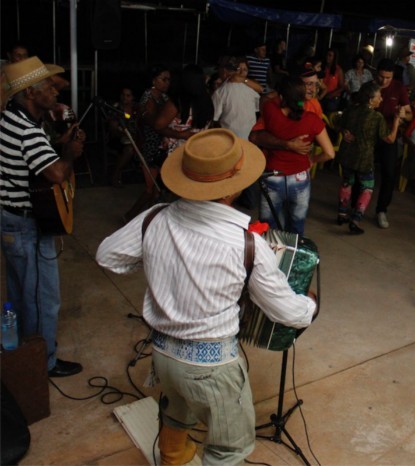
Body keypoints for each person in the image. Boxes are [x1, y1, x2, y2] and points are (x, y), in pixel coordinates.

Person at [96, 128, 318, 464]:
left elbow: (107, 255)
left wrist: (156, 261)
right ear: (233, 188)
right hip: (211, 366)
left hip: (162, 354)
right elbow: (288, 312)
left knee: (176, 413)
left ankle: (173, 460)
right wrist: (310, 305)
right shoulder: (245, 243)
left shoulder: (153, 218)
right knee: (230, 448)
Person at [1, 56, 85, 377]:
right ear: (30, 94)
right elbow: (54, 174)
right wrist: (68, 153)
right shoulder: (28, 130)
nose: (54, 89)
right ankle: (43, 362)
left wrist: (57, 143)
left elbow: (30, 159)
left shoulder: (11, 118)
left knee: (20, 291)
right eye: (46, 86)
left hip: (10, 219)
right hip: (27, 225)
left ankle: (21, 353)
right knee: (43, 298)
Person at [258, 77, 335, 235]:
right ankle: (292, 255)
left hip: (273, 176)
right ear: (303, 97)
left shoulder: (270, 110)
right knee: (297, 224)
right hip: (300, 178)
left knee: (268, 226)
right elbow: (329, 153)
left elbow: (265, 98)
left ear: (281, 97)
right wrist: (312, 159)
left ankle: (270, 256)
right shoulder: (312, 120)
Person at [336, 81, 400, 234]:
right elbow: (389, 139)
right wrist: (396, 122)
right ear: (371, 100)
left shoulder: (351, 110)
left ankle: (342, 214)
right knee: (367, 187)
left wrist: (344, 131)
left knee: (347, 182)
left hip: (346, 154)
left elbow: (337, 123)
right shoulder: (376, 117)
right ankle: (356, 219)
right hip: (364, 157)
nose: (381, 99)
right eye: (379, 97)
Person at [123, 65, 170, 222]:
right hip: (149, 146)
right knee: (151, 189)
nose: (167, 83)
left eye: (168, 79)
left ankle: (147, 219)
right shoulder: (148, 98)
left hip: (159, 145)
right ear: (153, 80)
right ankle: (129, 217)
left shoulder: (163, 97)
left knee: (155, 190)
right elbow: (152, 123)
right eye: (163, 79)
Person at [373, 58, 412, 229]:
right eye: (381, 77)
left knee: (389, 174)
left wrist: (403, 114)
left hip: (390, 135)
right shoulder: (370, 86)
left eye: (388, 78)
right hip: (370, 136)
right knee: (362, 172)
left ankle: (382, 210)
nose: (384, 81)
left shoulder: (398, 87)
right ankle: (355, 206)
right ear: (377, 73)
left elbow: (410, 115)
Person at [212, 56, 260, 141]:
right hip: (250, 141)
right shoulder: (252, 90)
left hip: (230, 141)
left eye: (245, 70)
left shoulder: (220, 92)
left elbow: (214, 117)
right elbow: (256, 110)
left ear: (224, 71)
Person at [108, 87, 140, 187]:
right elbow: (113, 128)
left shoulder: (137, 107)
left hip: (137, 137)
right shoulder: (116, 108)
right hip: (119, 138)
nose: (124, 98)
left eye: (128, 95)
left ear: (133, 97)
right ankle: (116, 174)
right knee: (129, 149)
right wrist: (123, 133)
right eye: (123, 95)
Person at [320, 48, 345, 113]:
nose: (327, 57)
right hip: (321, 96)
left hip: (332, 98)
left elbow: (342, 87)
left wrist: (331, 94)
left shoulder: (338, 70)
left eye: (330, 55)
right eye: (327, 55)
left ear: (334, 58)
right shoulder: (321, 67)